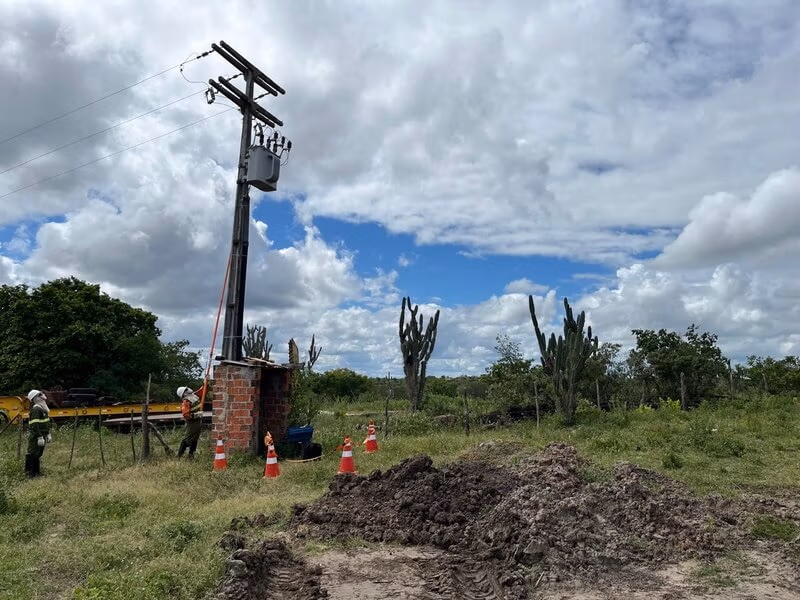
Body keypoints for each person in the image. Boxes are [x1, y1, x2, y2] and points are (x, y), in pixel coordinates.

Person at [25, 389, 52, 477]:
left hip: (42, 435)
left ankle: (36, 473)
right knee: (32, 453)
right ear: (36, 398)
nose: (43, 395)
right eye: (40, 394)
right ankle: (30, 474)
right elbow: (34, 425)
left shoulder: (43, 409)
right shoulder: (36, 409)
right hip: (36, 436)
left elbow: (46, 423)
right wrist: (39, 437)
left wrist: (48, 434)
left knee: (38, 454)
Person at [176, 386, 203, 458]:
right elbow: (186, 415)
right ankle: (179, 455)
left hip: (197, 421)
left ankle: (191, 455)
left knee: (195, 438)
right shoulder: (186, 402)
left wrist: (206, 381)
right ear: (184, 393)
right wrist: (196, 415)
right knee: (188, 438)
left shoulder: (194, 395)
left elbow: (202, 391)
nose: (188, 389)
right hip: (192, 422)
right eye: (186, 389)